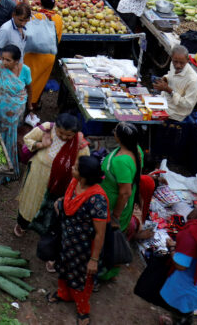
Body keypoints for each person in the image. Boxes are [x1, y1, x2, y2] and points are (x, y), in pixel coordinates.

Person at [137, 187, 197, 325]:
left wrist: (172, 247)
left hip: (189, 288)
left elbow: (180, 265)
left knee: (181, 314)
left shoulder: (193, 233)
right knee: (185, 311)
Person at [48, 156, 108, 325]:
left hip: (84, 249)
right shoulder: (74, 184)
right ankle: (63, 294)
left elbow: (99, 233)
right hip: (67, 241)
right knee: (63, 268)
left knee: (81, 280)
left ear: (84, 176)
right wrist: (60, 202)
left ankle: (83, 311)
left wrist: (94, 260)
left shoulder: (98, 200)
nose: (71, 169)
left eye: (75, 168)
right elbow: (69, 203)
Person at [16, 113, 89, 237]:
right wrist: (41, 145)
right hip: (38, 173)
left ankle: (43, 229)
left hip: (61, 181)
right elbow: (28, 138)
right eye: (60, 133)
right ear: (56, 127)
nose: (64, 137)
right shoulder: (47, 128)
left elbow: (84, 163)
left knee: (50, 205)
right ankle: (23, 224)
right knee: (31, 199)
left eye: (69, 135)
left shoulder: (80, 144)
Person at [99, 122, 144, 282]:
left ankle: (103, 273)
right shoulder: (137, 151)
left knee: (107, 239)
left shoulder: (120, 161)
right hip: (125, 205)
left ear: (119, 138)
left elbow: (125, 192)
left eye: (115, 131)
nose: (114, 132)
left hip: (114, 206)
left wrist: (115, 216)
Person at [0, 45, 31, 178]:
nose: (4, 62)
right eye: (3, 58)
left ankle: (7, 168)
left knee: (10, 136)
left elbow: (29, 87)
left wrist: (30, 105)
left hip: (15, 110)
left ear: (17, 61)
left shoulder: (25, 70)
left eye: (8, 60)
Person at [24, 0, 63, 110]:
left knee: (28, 78)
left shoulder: (35, 17)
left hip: (32, 54)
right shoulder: (58, 19)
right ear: (55, 4)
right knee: (40, 81)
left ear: (40, 3)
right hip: (48, 56)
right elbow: (58, 38)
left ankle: (24, 103)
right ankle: (33, 104)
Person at [151, 46, 197, 121]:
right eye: (175, 62)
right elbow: (171, 75)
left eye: (181, 63)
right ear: (171, 58)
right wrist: (165, 79)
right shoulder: (173, 64)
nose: (178, 65)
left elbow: (188, 105)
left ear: (187, 60)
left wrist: (169, 90)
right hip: (164, 102)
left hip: (175, 114)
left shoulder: (193, 80)